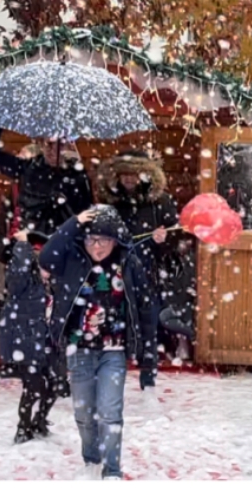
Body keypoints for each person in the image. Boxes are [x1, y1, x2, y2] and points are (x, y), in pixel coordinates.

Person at [40, 206, 158, 480]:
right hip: (78, 348)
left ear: (115, 240)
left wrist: (147, 357)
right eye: (92, 239)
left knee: (110, 411)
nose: (98, 246)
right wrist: (73, 223)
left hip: (113, 351)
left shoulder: (128, 264)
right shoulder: (71, 258)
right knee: (83, 412)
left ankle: (112, 470)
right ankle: (91, 460)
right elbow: (46, 257)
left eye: (104, 240)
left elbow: (145, 309)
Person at [98, 150, 180, 352]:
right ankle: (121, 344)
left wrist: (164, 238)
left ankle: (146, 346)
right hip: (114, 264)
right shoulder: (110, 201)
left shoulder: (160, 201)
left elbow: (175, 234)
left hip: (150, 265)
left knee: (147, 308)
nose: (128, 178)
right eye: (124, 173)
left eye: (133, 174)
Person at [2, 229, 60, 444]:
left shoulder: (50, 284)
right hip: (25, 342)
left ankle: (39, 421)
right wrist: (23, 245)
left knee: (56, 384)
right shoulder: (24, 282)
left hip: (44, 343)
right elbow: (18, 272)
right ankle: (23, 428)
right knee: (34, 386)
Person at [0, 127, 94, 238]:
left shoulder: (77, 178)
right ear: (41, 143)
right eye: (49, 144)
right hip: (28, 243)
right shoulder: (28, 168)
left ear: (69, 146)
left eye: (60, 145)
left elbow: (85, 218)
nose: (53, 150)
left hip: (60, 245)